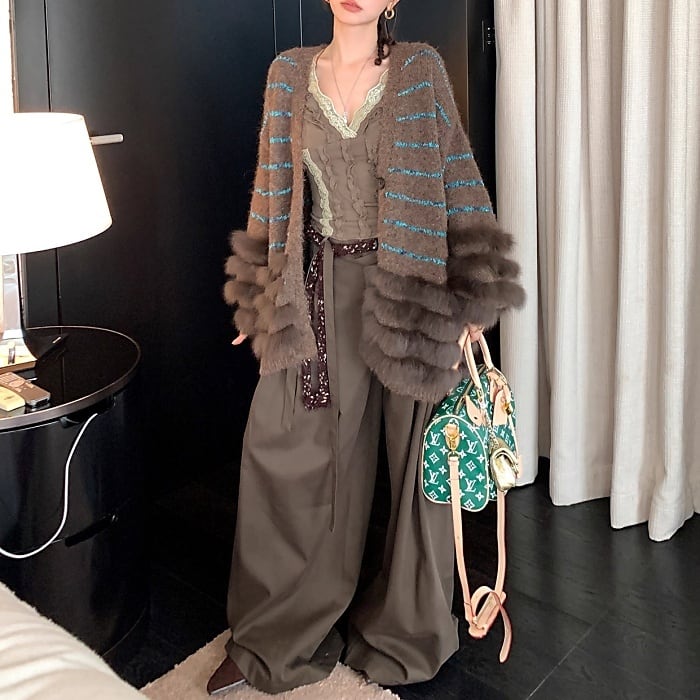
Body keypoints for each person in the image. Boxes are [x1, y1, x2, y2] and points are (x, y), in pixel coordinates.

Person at [208, 0, 524, 694]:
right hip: (318, 290)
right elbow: (271, 192)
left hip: (413, 287)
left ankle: (404, 635)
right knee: (287, 455)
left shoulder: (419, 70)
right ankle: (272, 640)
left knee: (421, 467)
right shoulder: (288, 74)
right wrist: (259, 300)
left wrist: (471, 300)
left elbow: (459, 180)